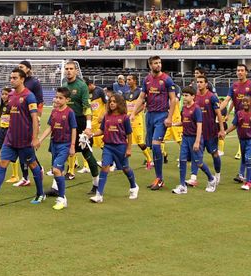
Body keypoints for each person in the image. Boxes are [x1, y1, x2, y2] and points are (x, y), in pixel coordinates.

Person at [0, 68, 45, 206]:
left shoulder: (29, 96)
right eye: (11, 78)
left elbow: (34, 118)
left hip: (25, 140)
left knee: (33, 165)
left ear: (22, 79)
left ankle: (40, 193)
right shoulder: (11, 96)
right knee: (2, 164)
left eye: (15, 78)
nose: (12, 80)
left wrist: (35, 137)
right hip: (10, 140)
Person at [128, 55, 178, 191]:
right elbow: (141, 98)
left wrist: (169, 117)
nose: (158, 65)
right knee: (151, 146)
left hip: (162, 116)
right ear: (150, 65)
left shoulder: (167, 79)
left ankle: (159, 178)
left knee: (156, 146)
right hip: (149, 115)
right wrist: (133, 114)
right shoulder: (147, 80)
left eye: (159, 62)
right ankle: (158, 176)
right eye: (155, 63)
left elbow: (173, 100)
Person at [59, 61, 101, 196]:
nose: (69, 71)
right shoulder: (64, 85)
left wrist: (88, 127)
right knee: (61, 151)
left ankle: (96, 183)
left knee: (87, 154)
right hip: (66, 123)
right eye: (67, 69)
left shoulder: (82, 85)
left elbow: (86, 107)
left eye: (71, 69)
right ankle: (57, 185)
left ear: (76, 71)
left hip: (80, 123)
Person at [90, 92, 139, 203]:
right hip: (108, 146)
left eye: (114, 102)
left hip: (121, 147)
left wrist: (129, 148)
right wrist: (92, 134)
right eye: (110, 102)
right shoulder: (106, 116)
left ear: (120, 103)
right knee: (105, 167)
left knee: (125, 168)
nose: (111, 104)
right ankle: (99, 194)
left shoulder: (125, 118)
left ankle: (134, 187)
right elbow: (102, 130)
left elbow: (129, 134)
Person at [35, 88, 76, 211]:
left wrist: (72, 145)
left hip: (65, 145)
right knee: (58, 171)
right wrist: (40, 140)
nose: (57, 100)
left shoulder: (70, 112)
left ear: (67, 100)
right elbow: (50, 128)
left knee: (56, 169)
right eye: (56, 97)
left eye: (60, 98)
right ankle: (59, 192)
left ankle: (62, 199)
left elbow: (74, 129)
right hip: (54, 144)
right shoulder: (53, 112)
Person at [224, 64, 251, 181]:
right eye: (238, 70)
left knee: (250, 145)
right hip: (240, 119)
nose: (239, 72)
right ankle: (244, 174)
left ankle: (248, 174)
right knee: (243, 147)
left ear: (246, 72)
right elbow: (231, 101)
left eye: (242, 70)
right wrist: (226, 113)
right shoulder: (233, 86)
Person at [170, 86, 213, 194]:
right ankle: (182, 186)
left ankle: (211, 178)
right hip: (185, 137)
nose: (184, 97)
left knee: (198, 162)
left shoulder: (197, 109)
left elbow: (199, 126)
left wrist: (197, 141)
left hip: (195, 138)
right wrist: (174, 124)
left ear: (193, 96)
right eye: (183, 95)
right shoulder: (183, 108)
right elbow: (184, 121)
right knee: (182, 160)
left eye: (186, 95)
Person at [191, 74, 223, 189]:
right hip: (198, 133)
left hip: (211, 132)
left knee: (214, 154)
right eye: (197, 82)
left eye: (201, 82)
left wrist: (222, 130)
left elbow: (219, 114)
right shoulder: (194, 96)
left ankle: (217, 174)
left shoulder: (212, 97)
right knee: (196, 155)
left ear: (206, 84)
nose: (198, 84)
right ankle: (193, 177)